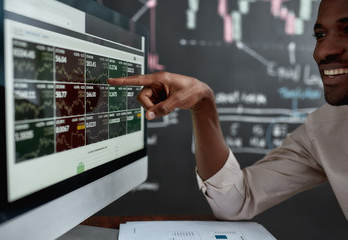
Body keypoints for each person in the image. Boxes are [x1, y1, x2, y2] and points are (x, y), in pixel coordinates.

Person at [107, 0, 348, 220]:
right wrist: (203, 106)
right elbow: (236, 200)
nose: (323, 51)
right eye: (320, 35)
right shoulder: (324, 130)